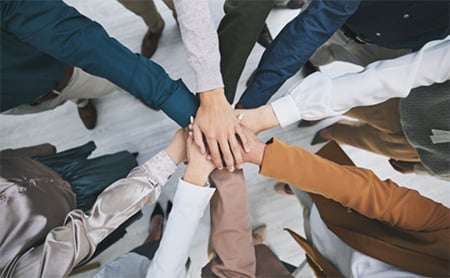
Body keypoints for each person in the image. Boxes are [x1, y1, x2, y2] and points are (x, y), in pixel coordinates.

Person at [237, 126, 449, 277]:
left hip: (327, 260)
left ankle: (297, 192)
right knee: (313, 195)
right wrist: (266, 156)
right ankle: (297, 187)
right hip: (342, 218)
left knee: (310, 209)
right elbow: (377, 197)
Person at [237, 37, 450, 179]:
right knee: (359, 103)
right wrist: (278, 112)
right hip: (411, 103)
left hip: (425, 152)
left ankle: (331, 130)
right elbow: (394, 77)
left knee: (367, 140)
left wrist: (420, 170)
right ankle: (323, 112)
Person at [237, 0, 449, 109]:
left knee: (320, 59)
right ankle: (267, 74)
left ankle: (306, 64)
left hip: (387, 51)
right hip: (336, 22)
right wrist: (254, 99)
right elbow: (318, 22)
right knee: (304, 46)